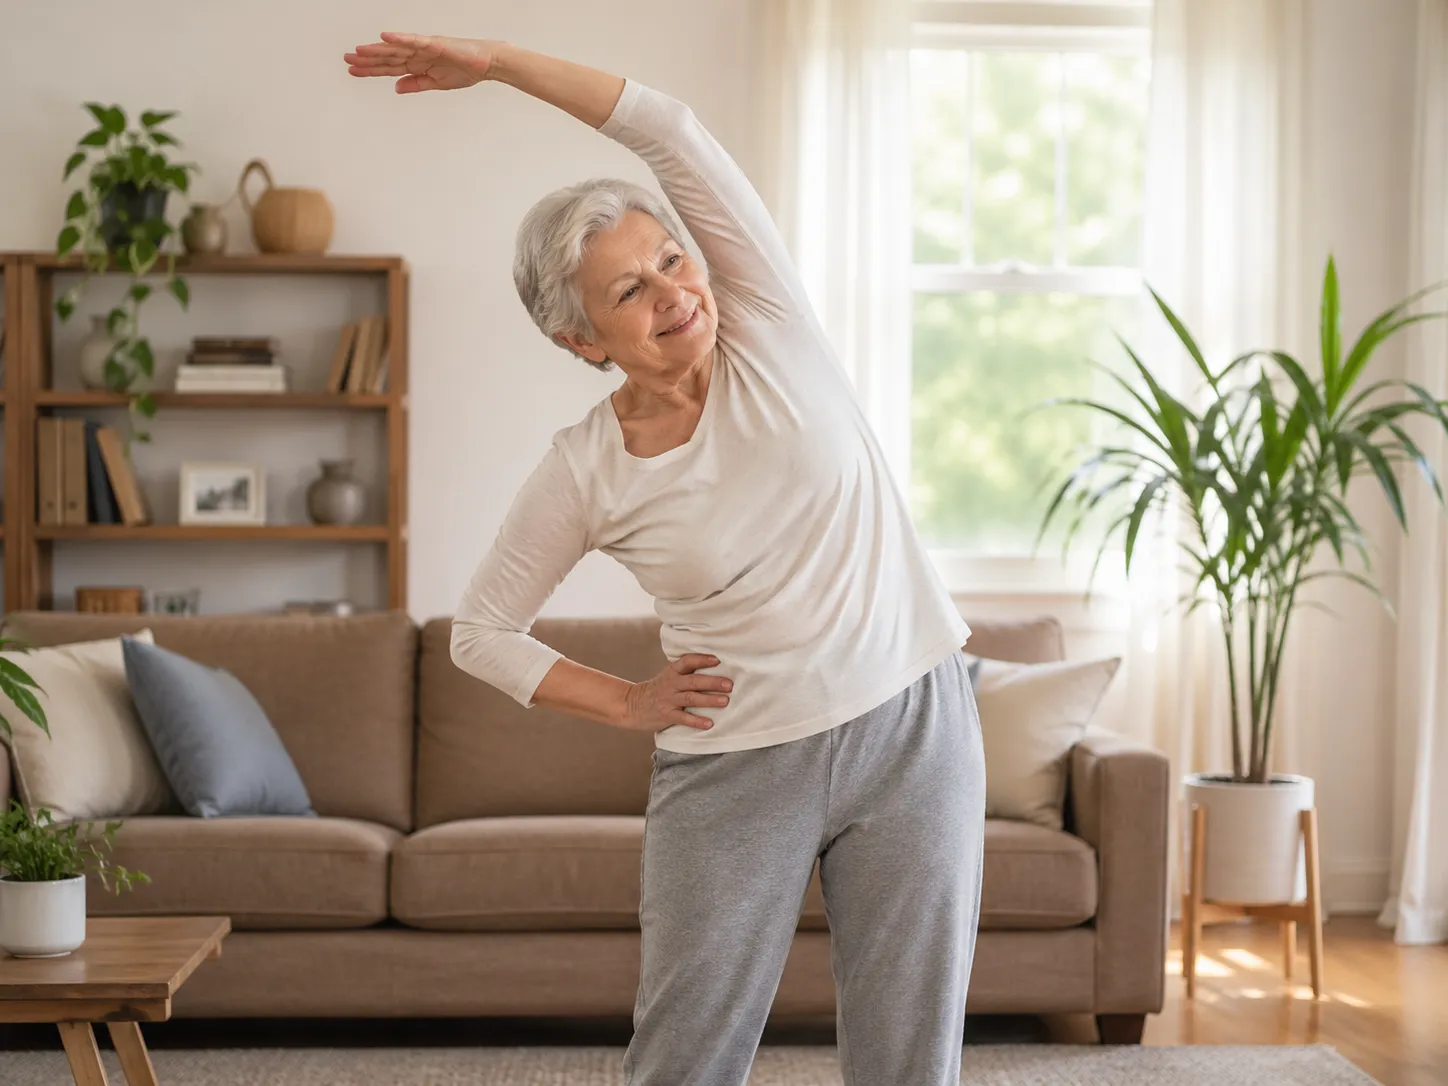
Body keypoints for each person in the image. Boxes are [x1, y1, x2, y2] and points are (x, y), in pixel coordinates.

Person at [344, 32, 987, 1086]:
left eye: (669, 261)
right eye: (627, 293)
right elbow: (480, 634)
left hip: (911, 725)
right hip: (735, 765)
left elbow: (668, 129)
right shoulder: (584, 469)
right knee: (685, 1057)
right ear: (581, 341)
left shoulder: (771, 327)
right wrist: (628, 702)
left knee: (911, 1057)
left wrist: (500, 65)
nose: (671, 294)